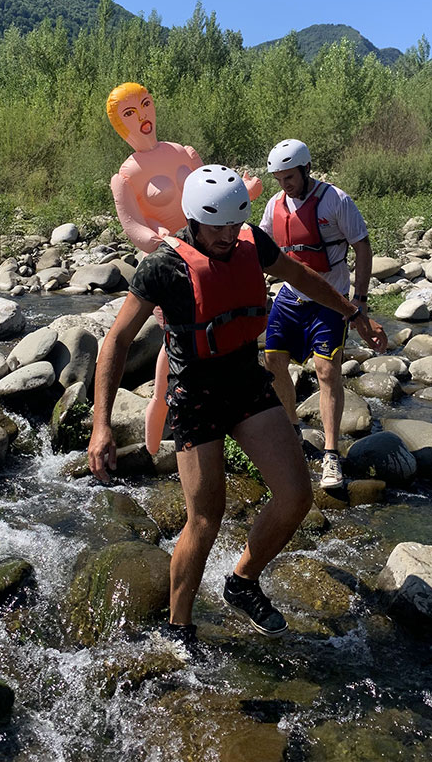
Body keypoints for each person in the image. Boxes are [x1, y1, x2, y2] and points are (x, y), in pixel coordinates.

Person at [88, 165, 386, 645]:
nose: (228, 235)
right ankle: (178, 627)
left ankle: (242, 581)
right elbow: (117, 341)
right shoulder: (163, 265)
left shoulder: (250, 240)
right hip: (196, 397)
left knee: (296, 496)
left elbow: (301, 275)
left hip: (247, 383)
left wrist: (355, 312)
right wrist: (101, 424)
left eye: (234, 223)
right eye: (218, 225)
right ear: (193, 218)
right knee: (205, 519)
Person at [106, 83, 261, 455]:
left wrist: (244, 193)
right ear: (119, 125)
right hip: (171, 265)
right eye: (130, 113)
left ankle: (238, 410)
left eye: (145, 104)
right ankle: (156, 442)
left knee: (224, 324)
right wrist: (159, 240)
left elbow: (215, 193)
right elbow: (133, 227)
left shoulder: (183, 153)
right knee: (176, 342)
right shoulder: (126, 176)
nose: (142, 116)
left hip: (213, 253)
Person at [260, 139, 375, 490]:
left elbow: (363, 246)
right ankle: (292, 430)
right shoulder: (274, 205)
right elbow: (260, 249)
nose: (285, 184)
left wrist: (360, 299)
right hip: (290, 298)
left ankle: (330, 454)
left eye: (289, 177)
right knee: (273, 361)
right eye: (279, 178)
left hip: (330, 300)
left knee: (326, 370)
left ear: (305, 169)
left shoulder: (335, 200)